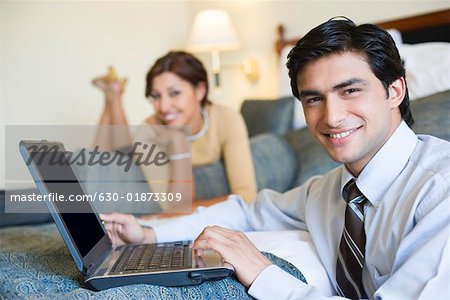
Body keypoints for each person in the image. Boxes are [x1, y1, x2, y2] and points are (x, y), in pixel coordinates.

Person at [100, 18, 450, 299]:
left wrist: (263, 274)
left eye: (350, 90)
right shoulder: (331, 191)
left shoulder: (440, 191)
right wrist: (147, 233)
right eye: (314, 99)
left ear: (395, 91)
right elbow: (248, 210)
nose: (332, 117)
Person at [93, 51, 257, 208]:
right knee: (109, 157)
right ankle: (113, 95)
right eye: (156, 96)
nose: (163, 107)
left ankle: (112, 92)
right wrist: (179, 142)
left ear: (200, 91)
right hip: (136, 159)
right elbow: (177, 206)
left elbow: (247, 196)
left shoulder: (226, 118)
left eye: (175, 93)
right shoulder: (147, 132)